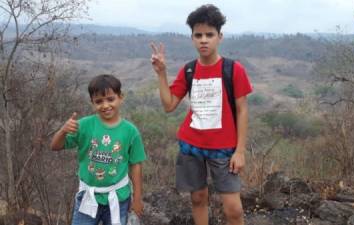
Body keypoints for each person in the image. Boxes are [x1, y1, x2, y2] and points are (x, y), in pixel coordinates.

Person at [150, 4, 252, 225]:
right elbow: (169, 105)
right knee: (198, 198)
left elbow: (243, 109)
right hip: (191, 145)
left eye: (209, 34)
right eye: (198, 35)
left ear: (220, 36)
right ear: (192, 38)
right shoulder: (188, 70)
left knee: (233, 209)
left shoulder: (233, 69)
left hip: (224, 149)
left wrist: (240, 151)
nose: (203, 40)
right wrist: (161, 73)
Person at [50, 74, 147, 225]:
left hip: (118, 198)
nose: (105, 105)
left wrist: (137, 198)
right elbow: (55, 146)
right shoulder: (84, 125)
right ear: (92, 103)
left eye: (110, 99)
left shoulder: (130, 131)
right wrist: (63, 131)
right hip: (88, 197)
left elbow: (136, 165)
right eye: (99, 101)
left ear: (120, 97)